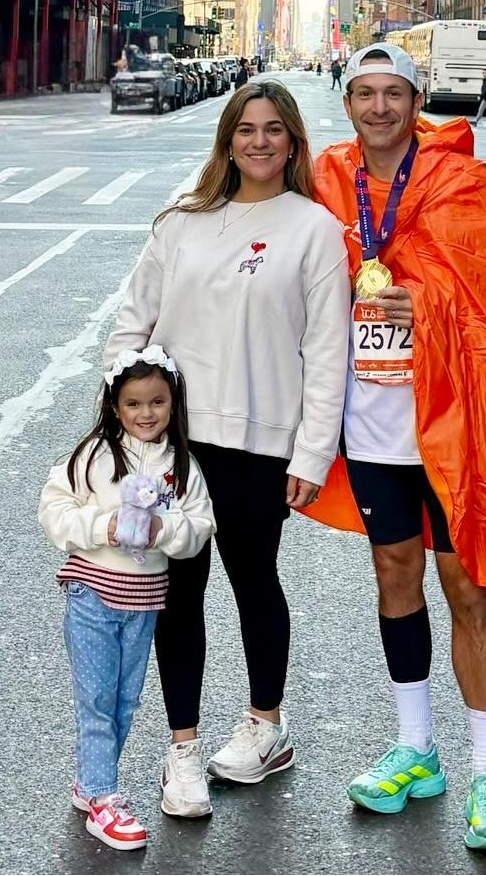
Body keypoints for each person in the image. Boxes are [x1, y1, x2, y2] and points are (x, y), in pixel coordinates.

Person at [307, 43, 486, 853]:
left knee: (466, 585)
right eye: (366, 94)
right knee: (394, 571)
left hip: (455, 423)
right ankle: (415, 749)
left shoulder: (463, 181)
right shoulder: (325, 179)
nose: (381, 108)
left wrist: (418, 297)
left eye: (395, 94)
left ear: (416, 100)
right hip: (369, 423)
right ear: (348, 101)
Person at [103, 80, 351, 819]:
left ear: (294, 141)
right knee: (177, 595)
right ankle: (182, 749)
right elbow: (130, 324)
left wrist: (311, 454)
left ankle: (266, 727)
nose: (260, 141)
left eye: (275, 129)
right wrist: (127, 418)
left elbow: (327, 351)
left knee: (254, 582)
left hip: (259, 444)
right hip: (176, 448)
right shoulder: (180, 224)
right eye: (246, 129)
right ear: (226, 140)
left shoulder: (314, 229)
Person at [39, 347, 216, 851]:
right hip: (91, 593)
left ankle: (90, 783)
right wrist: (103, 525)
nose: (145, 413)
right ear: (115, 407)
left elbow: (201, 526)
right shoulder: (94, 455)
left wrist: (164, 528)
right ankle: (102, 797)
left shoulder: (181, 466)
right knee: (96, 700)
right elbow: (54, 509)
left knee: (123, 700)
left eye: (157, 402)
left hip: (144, 603)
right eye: (134, 403)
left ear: (172, 404)